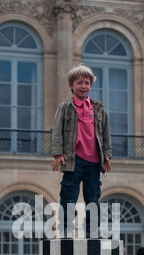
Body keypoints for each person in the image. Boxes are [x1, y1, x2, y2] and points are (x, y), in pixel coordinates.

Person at [51, 64, 112, 238]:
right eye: (79, 83)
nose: (83, 86)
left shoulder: (98, 109)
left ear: (91, 86)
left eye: (86, 83)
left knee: (93, 199)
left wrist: (106, 155)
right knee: (68, 196)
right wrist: (58, 154)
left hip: (93, 162)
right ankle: (65, 229)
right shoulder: (65, 107)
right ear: (71, 85)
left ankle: (92, 231)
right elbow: (57, 131)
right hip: (73, 160)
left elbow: (105, 133)